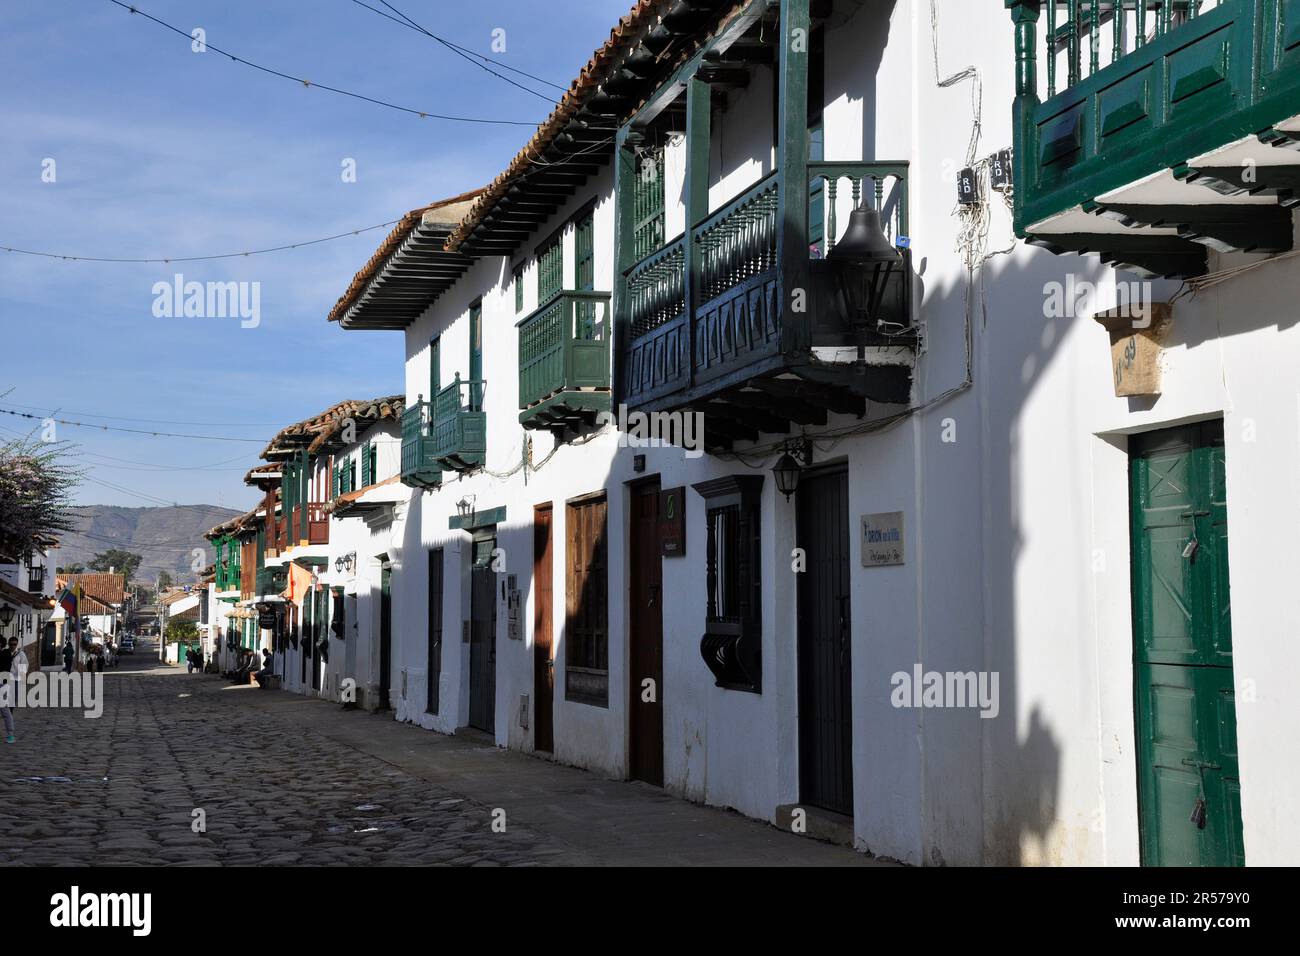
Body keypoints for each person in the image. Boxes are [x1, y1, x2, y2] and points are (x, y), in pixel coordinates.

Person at [1, 636, 27, 743]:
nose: (12, 646)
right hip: (5, 680)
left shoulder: (21, 654)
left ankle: (9, 721)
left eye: (14, 644)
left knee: (11, 702)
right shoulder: (4, 653)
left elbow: (24, 667)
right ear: (8, 644)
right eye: (11, 644)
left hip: (15, 680)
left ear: (17, 644)